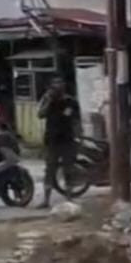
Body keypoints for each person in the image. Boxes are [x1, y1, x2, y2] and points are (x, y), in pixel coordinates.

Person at [37, 77, 80, 209]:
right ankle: (46, 200)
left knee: (69, 170)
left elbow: (76, 119)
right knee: (50, 170)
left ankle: (69, 198)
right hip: (52, 140)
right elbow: (40, 114)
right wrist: (49, 100)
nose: (58, 88)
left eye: (60, 84)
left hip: (67, 139)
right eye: (55, 85)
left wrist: (78, 136)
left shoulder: (70, 101)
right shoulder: (48, 100)